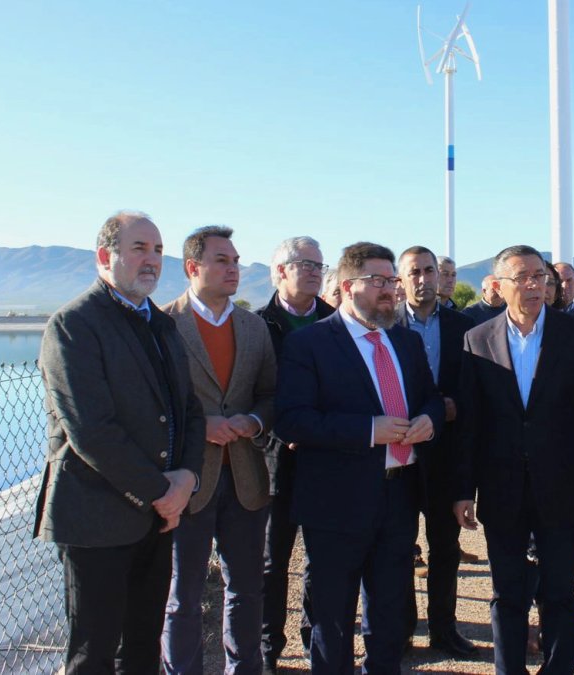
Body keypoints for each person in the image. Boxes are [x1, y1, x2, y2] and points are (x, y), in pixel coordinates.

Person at [35, 210, 204, 673]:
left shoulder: (162, 325)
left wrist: (187, 478)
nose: (151, 260)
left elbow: (188, 409)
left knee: (144, 647)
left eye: (157, 250)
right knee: (95, 651)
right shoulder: (74, 325)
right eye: (139, 248)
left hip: (158, 517)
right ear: (105, 256)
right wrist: (162, 493)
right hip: (97, 518)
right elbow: (91, 429)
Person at [275, 242, 444, 674]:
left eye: (392, 280)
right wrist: (369, 431)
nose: (390, 290)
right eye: (379, 281)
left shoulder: (404, 342)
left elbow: (432, 399)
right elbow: (293, 421)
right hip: (336, 503)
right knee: (332, 617)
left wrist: (428, 419)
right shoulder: (309, 344)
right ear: (348, 286)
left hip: (399, 497)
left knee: (389, 616)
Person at [454, 244, 574, 675]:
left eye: (540, 276)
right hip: (502, 489)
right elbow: (470, 425)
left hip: (563, 489)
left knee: (560, 592)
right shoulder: (477, 340)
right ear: (499, 286)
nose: (533, 285)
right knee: (507, 593)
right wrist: (461, 492)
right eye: (522, 277)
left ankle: (558, 668)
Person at [160, 226, 276, 674]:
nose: (234, 269)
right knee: (182, 595)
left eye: (236, 261)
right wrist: (199, 427)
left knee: (246, 589)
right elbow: (153, 403)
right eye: (223, 261)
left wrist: (254, 421)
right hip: (186, 481)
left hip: (246, 478)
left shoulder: (254, 327)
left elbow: (270, 393)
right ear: (193, 267)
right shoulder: (164, 325)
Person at [257, 236, 337, 670]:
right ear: (280, 272)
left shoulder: (334, 321)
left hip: (325, 460)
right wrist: (274, 435)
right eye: (304, 263)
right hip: (275, 462)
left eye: (319, 265)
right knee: (273, 561)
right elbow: (247, 393)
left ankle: (314, 639)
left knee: (320, 559)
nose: (313, 271)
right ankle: (268, 646)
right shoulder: (257, 325)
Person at [395, 246, 479, 658]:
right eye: (415, 272)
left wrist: (455, 407)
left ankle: (444, 630)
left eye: (430, 270)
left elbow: (475, 391)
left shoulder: (465, 328)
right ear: (401, 279)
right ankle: (404, 630)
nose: (424, 279)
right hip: (398, 455)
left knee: (444, 547)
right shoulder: (384, 326)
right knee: (397, 547)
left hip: (446, 454)